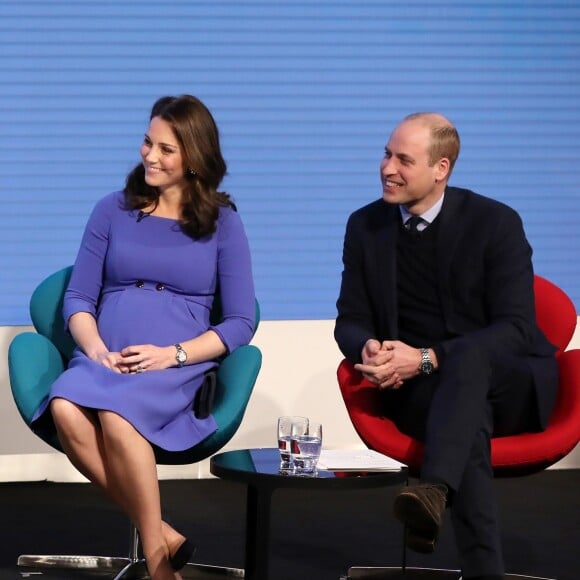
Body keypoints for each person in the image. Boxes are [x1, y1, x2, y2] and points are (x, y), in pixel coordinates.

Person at [31, 94, 256, 580]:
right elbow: (78, 299)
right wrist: (96, 351)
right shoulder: (111, 210)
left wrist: (171, 356)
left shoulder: (223, 224)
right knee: (66, 406)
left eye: (166, 149)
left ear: (195, 157)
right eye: (147, 143)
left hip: (174, 364)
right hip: (106, 356)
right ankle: (163, 537)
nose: (149, 156)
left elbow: (240, 322)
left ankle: (156, 563)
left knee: (115, 415)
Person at [334, 112, 558, 580]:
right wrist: (371, 348)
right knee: (464, 419)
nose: (387, 168)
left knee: (469, 359)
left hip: (507, 387)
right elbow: (350, 319)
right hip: (424, 394)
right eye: (386, 154)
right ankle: (439, 503)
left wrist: (429, 357)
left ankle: (435, 489)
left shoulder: (494, 222)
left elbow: (517, 328)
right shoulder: (366, 226)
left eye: (404, 160)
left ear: (442, 168)